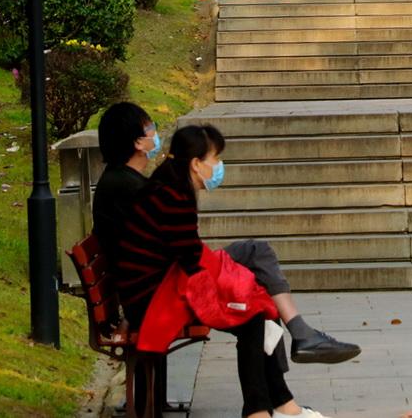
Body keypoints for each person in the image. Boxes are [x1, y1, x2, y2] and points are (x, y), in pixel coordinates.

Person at [94, 103, 359, 365]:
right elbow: (162, 251)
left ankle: (299, 347)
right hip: (164, 288)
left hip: (158, 282)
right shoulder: (132, 188)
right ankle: (297, 350)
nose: (155, 133)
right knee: (256, 261)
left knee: (255, 271)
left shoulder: (124, 182)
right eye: (150, 128)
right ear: (138, 142)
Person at [113, 125, 330, 418]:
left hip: (156, 289)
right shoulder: (173, 198)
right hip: (156, 300)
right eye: (215, 159)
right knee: (254, 313)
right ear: (196, 164)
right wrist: (235, 286)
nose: (218, 166)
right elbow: (191, 261)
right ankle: (262, 409)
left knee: (257, 302)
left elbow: (189, 256)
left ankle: (278, 404)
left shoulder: (167, 188)